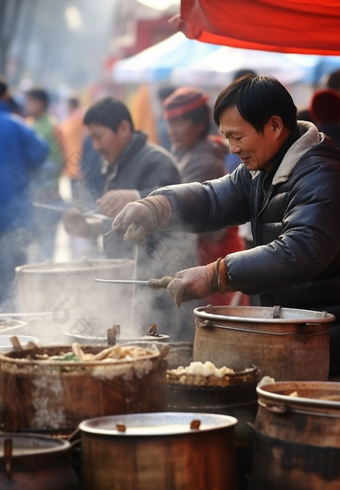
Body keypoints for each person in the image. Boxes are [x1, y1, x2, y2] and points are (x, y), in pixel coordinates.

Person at [111, 75, 340, 377]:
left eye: (238, 136)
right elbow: (213, 198)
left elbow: (302, 250)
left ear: (274, 126)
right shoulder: (263, 166)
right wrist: (159, 205)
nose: (232, 148)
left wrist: (215, 275)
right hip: (295, 331)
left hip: (330, 340)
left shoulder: (321, 175)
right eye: (227, 137)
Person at [63, 97, 196, 339]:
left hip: (158, 280)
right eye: (91, 138)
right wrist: (86, 227)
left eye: (98, 136)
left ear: (123, 128)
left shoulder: (156, 161)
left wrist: (137, 197)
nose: (95, 146)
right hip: (128, 280)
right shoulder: (113, 163)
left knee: (160, 350)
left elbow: (178, 209)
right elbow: (117, 223)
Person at [163, 86, 247, 306]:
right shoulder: (187, 154)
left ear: (199, 124)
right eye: (170, 123)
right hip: (206, 258)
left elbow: (195, 218)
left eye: (179, 122)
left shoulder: (205, 162)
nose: (172, 130)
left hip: (216, 258)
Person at [0, 76, 48, 310]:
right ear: (5, 96)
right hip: (15, 218)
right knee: (14, 280)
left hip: (12, 216)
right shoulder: (17, 124)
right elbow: (40, 153)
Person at [25, 88, 64, 261]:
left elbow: (58, 161)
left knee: (47, 242)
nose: (28, 105)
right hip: (30, 194)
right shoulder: (27, 123)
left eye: (30, 101)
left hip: (47, 193)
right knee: (31, 242)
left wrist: (49, 186)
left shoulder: (52, 126)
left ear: (41, 103)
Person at [59, 92, 86, 196]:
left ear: (70, 105)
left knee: (79, 202)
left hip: (75, 165)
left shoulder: (71, 120)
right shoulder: (78, 117)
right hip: (80, 165)